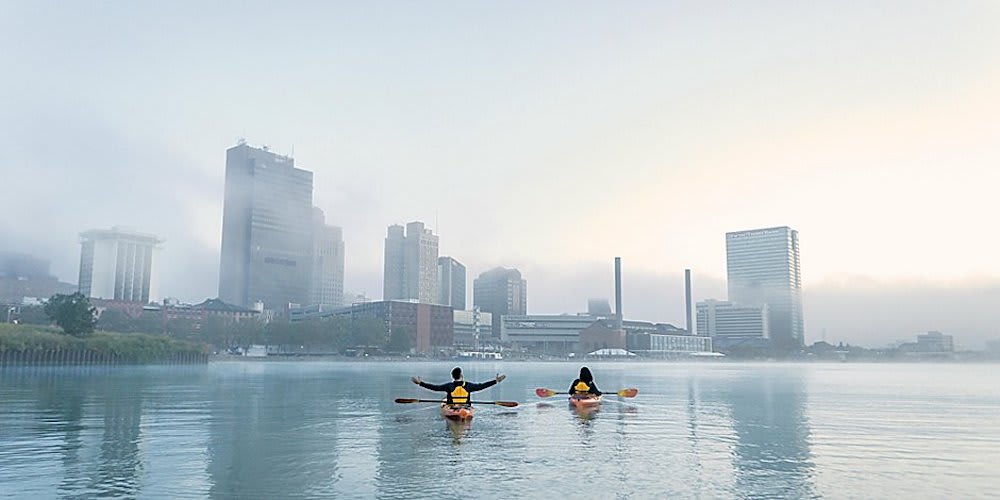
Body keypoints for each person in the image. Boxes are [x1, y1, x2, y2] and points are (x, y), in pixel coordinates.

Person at [412, 367, 506, 406]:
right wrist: (496, 381)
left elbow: (435, 388)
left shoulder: (449, 386)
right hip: (465, 408)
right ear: (461, 375)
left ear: (452, 377)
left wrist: (420, 383)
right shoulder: (468, 386)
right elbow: (482, 386)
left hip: (452, 408)